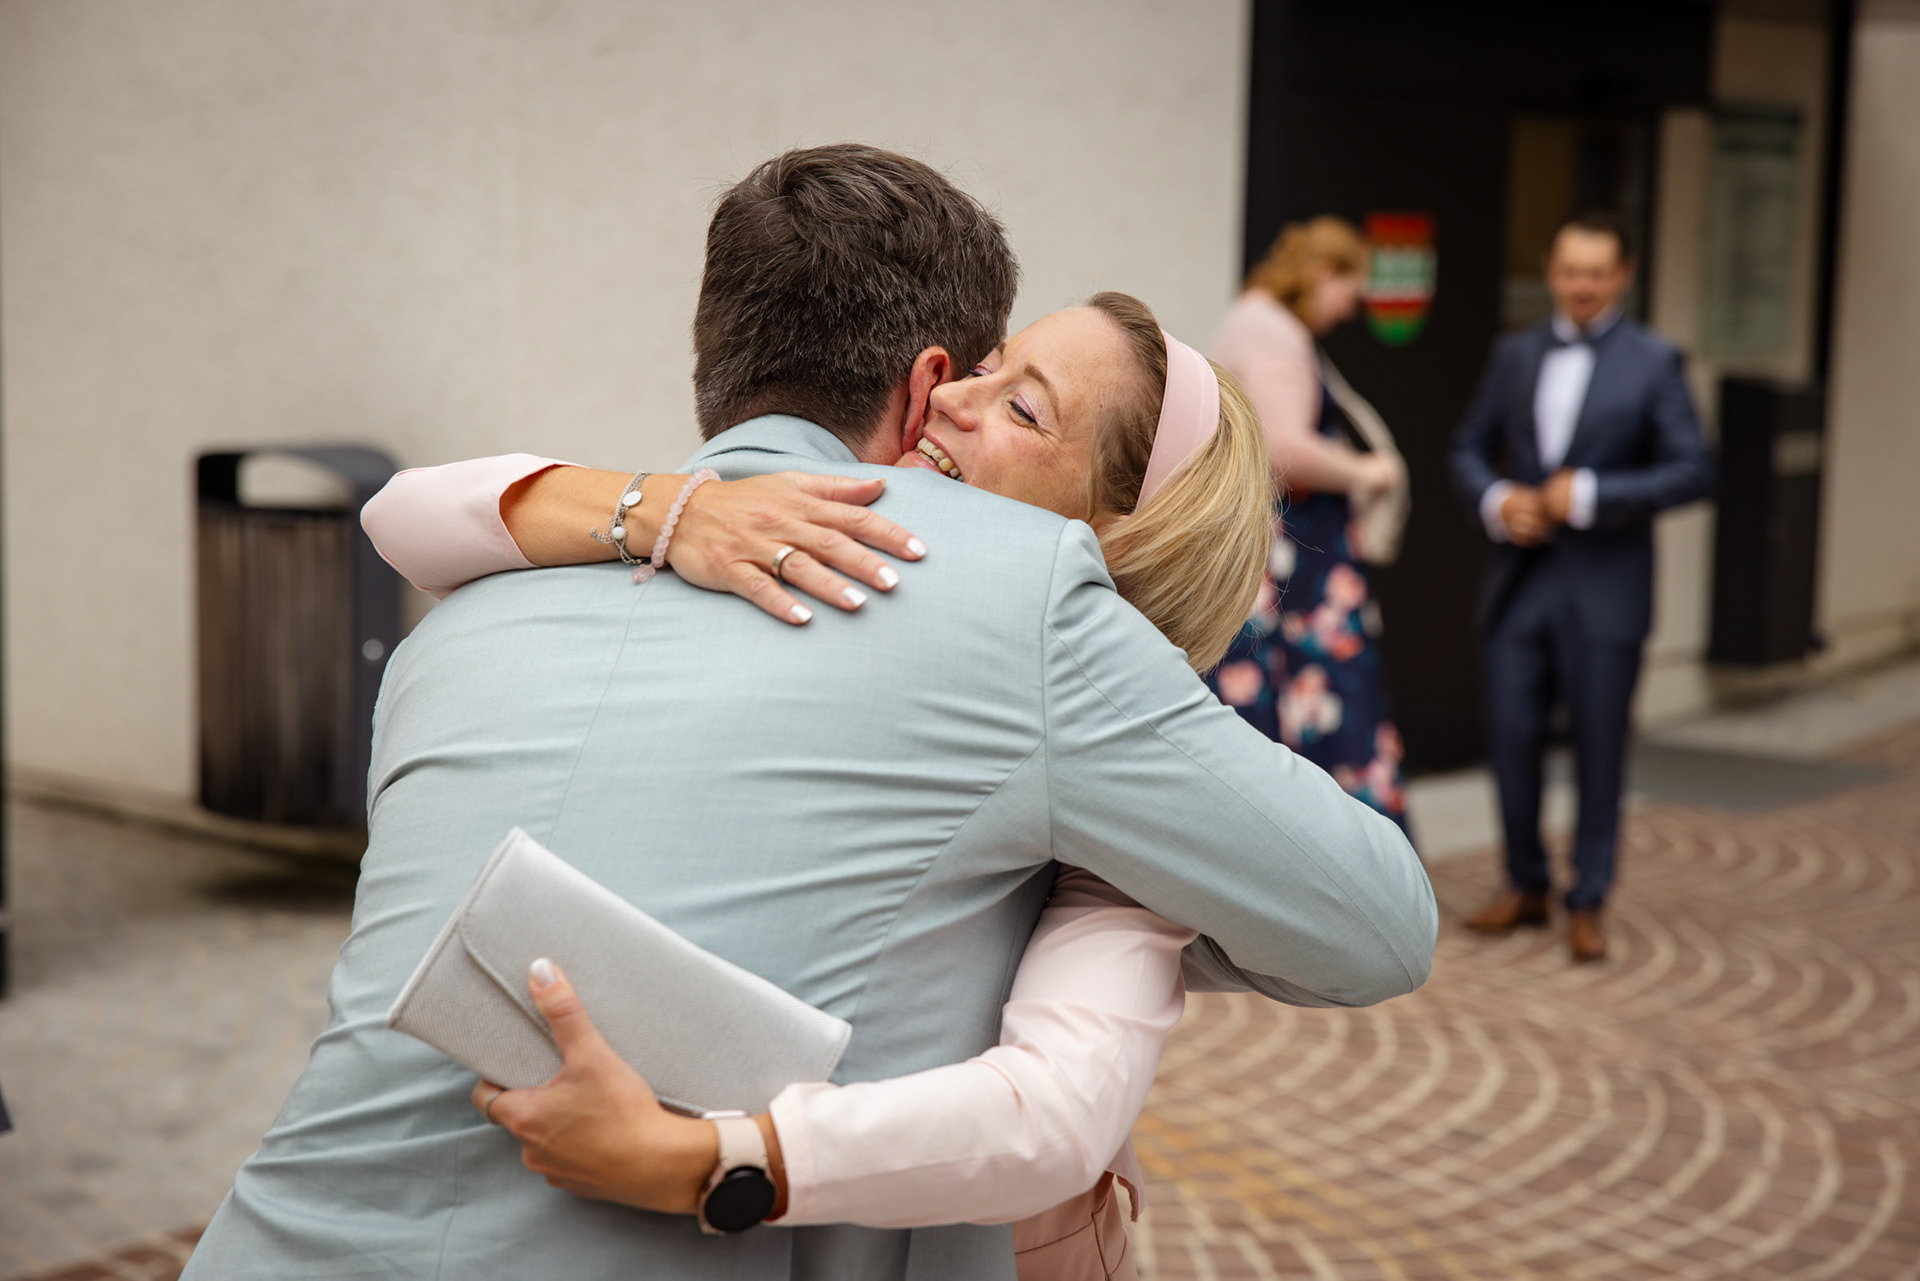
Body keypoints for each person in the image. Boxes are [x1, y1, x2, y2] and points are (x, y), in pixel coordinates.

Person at [184, 145, 1435, 1281]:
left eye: (1024, 403)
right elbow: (1374, 930)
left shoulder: (461, 619)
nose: (969, 405)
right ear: (929, 378)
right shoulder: (1015, 611)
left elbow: (405, 514)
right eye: (988, 372)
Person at [1450, 209, 1714, 962]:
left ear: (1622, 275)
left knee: (1600, 746)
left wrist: (1594, 494)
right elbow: (1467, 446)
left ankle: (1588, 896)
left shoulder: (1655, 360)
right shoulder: (1514, 352)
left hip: (1607, 589)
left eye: (1596, 273)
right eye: (1570, 271)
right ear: (1550, 271)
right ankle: (1525, 882)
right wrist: (1498, 500)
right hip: (1519, 582)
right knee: (1511, 735)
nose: (1582, 285)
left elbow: (1694, 468)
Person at [1204, 217, 1411, 831]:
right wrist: (1369, 471)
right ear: (1325, 272)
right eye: (1350, 290)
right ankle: (1351, 852)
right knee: (1326, 702)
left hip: (1276, 555)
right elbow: (1285, 450)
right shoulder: (1272, 329)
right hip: (1296, 566)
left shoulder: (1250, 319)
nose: (1349, 309)